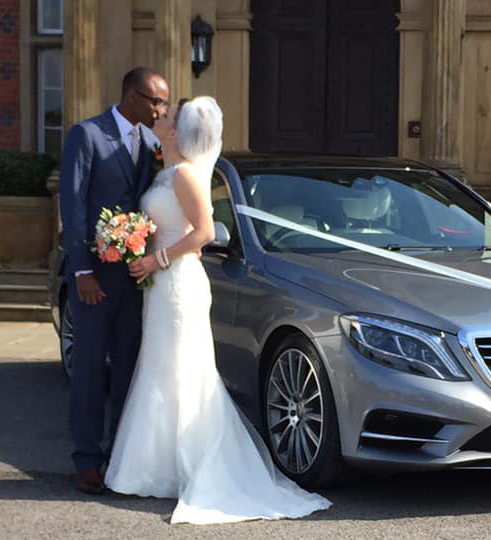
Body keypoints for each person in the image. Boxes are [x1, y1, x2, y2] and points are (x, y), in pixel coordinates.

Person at [103, 96, 332, 524]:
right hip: (160, 286)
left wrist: (156, 259)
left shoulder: (186, 176)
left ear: (176, 131)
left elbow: (205, 232)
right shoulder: (163, 173)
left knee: (181, 371)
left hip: (179, 282)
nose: (160, 116)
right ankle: (156, 469)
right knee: (159, 369)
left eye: (168, 115)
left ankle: (189, 468)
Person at [58, 67, 169, 495]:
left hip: (135, 280)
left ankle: (121, 456)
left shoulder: (150, 142)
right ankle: (86, 460)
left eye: (164, 102)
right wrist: (81, 270)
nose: (160, 109)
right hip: (94, 279)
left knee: (128, 368)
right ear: (130, 95)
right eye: (154, 101)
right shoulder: (86, 135)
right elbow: (73, 205)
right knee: (88, 369)